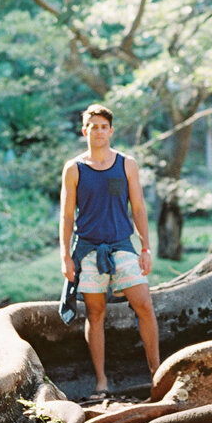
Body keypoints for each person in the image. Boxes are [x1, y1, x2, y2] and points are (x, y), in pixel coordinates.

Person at [58, 104, 159, 399]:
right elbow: (66, 215)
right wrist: (65, 255)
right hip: (88, 249)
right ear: (84, 131)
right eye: (94, 126)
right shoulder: (74, 168)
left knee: (144, 305)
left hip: (122, 246)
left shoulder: (126, 164)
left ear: (111, 131)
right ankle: (101, 383)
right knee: (95, 312)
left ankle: (157, 374)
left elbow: (138, 208)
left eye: (104, 126)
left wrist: (146, 248)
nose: (99, 131)